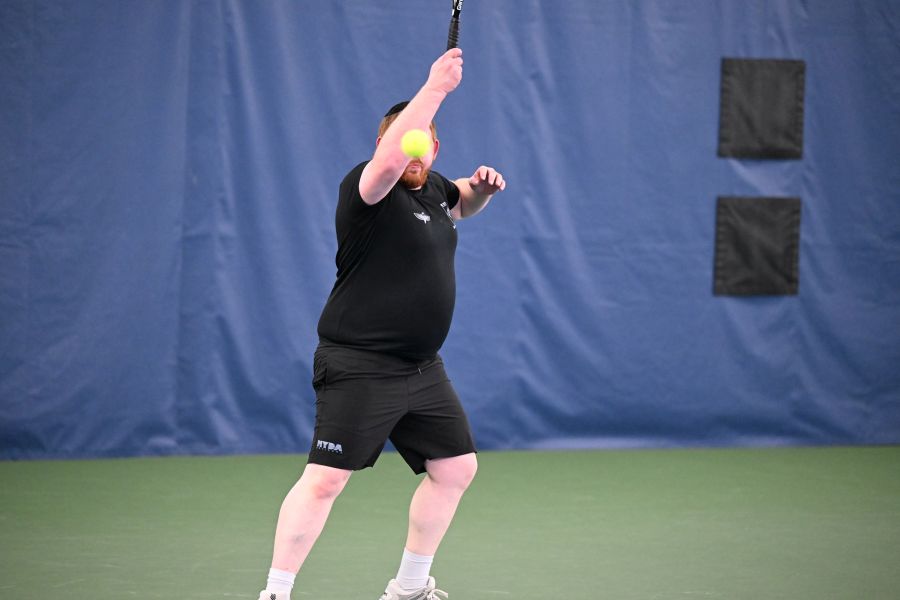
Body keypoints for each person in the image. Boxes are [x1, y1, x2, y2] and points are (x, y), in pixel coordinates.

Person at [257, 48, 506, 600]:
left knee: (455, 468)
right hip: (359, 364)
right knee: (325, 479)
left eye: (424, 141)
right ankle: (275, 592)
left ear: (435, 149)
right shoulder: (366, 190)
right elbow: (394, 161)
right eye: (401, 138)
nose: (414, 149)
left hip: (421, 369)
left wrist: (482, 190)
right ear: (383, 145)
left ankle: (408, 588)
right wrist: (436, 87)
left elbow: (462, 202)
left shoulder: (436, 190)